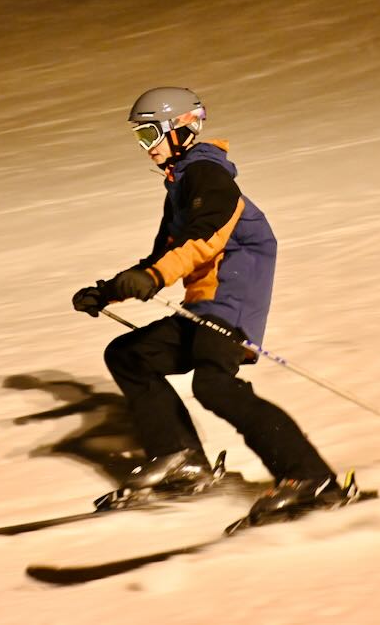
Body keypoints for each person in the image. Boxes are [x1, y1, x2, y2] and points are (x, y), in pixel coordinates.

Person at [72, 87, 348, 518]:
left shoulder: (208, 177)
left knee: (214, 385)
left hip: (231, 304)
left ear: (180, 129)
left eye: (149, 135)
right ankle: (181, 459)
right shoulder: (181, 186)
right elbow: (164, 252)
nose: (145, 148)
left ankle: (311, 477)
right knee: (129, 356)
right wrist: (109, 290)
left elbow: (203, 240)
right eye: (139, 139)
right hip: (203, 307)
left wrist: (155, 276)